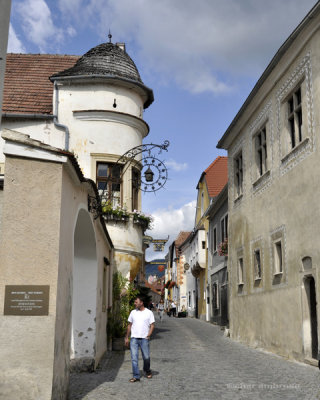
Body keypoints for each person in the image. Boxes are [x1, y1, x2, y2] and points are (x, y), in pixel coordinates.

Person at [125, 295, 155, 382]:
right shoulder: (133, 312)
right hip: (134, 338)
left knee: (146, 357)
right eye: (134, 302)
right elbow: (129, 325)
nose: (135, 304)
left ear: (141, 303)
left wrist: (149, 335)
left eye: (136, 302)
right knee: (134, 358)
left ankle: (147, 370)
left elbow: (152, 325)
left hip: (144, 338)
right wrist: (127, 337)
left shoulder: (149, 312)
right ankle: (136, 376)